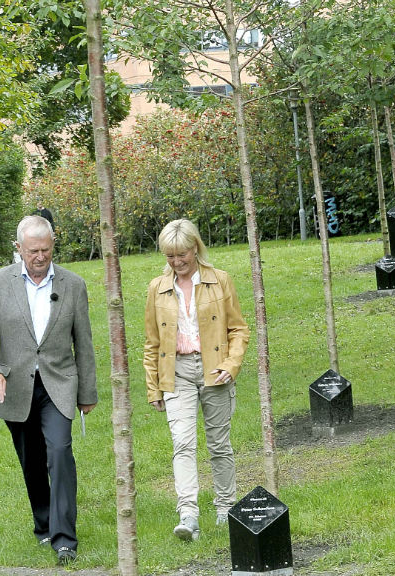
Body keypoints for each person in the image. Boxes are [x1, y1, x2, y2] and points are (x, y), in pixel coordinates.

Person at [0, 215, 97, 567]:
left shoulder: (73, 284)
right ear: (19, 249)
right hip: (14, 386)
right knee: (31, 461)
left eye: (45, 250)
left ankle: (64, 540)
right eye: (32, 251)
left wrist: (87, 393)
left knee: (59, 452)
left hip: (59, 382)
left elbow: (83, 344)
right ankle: (43, 523)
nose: (40, 257)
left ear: (53, 245)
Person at [143, 219, 250, 542]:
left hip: (214, 370)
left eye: (182, 255)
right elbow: (151, 343)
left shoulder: (220, 282)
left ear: (196, 249)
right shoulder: (157, 288)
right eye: (170, 256)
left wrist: (231, 365)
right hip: (176, 373)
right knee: (183, 444)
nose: (177, 262)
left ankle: (225, 507)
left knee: (219, 444)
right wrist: (154, 387)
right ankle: (188, 515)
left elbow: (239, 330)